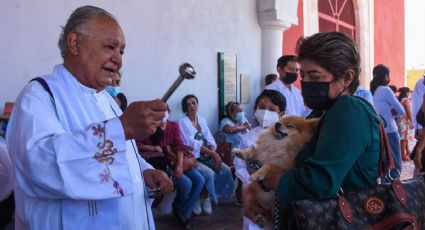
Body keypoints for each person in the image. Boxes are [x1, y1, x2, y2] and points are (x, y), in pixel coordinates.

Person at [6, 6, 173, 230]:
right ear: (75, 43)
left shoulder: (106, 101)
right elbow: (39, 166)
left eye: (122, 51)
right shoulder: (39, 96)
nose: (118, 60)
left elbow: (121, 153)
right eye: (110, 47)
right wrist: (121, 128)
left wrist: (143, 171)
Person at [243, 32, 381, 229]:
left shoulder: (349, 110)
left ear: (347, 77)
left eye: (314, 75)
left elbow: (318, 183)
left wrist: (265, 180)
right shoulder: (324, 112)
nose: (305, 82)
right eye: (303, 75)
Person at [137, 107, 205, 228]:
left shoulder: (173, 126)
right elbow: (137, 143)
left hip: (176, 162)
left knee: (200, 180)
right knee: (186, 184)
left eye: (165, 112)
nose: (162, 115)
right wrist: (152, 148)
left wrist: (179, 165)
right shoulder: (149, 127)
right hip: (161, 165)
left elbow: (179, 146)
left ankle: (182, 210)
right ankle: (184, 214)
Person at [233, 89, 286, 230]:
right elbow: (239, 164)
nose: (265, 112)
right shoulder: (248, 137)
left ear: (281, 114)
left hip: (277, 194)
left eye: (271, 109)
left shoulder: (286, 139)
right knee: (254, 223)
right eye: (261, 108)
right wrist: (249, 180)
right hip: (253, 191)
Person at [178, 94, 235, 215]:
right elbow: (192, 143)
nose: (191, 106)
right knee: (209, 173)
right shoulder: (183, 122)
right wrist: (213, 154)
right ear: (185, 108)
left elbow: (209, 138)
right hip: (193, 157)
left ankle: (206, 195)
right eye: (188, 105)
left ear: (197, 104)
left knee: (225, 170)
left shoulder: (202, 120)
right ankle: (200, 198)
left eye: (193, 103)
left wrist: (212, 149)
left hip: (206, 155)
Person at [370, 64, 405, 175]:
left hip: (378, 131)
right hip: (390, 131)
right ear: (385, 76)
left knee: (383, 165)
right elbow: (401, 111)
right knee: (395, 166)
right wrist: (391, 113)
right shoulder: (385, 90)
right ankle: (394, 190)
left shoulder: (372, 91)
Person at [397, 87, 414, 161]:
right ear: (407, 92)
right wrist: (411, 121)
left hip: (401, 120)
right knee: (403, 139)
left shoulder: (401, 100)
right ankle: (403, 154)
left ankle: (408, 152)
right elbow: (408, 111)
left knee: (405, 137)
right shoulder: (406, 100)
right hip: (405, 121)